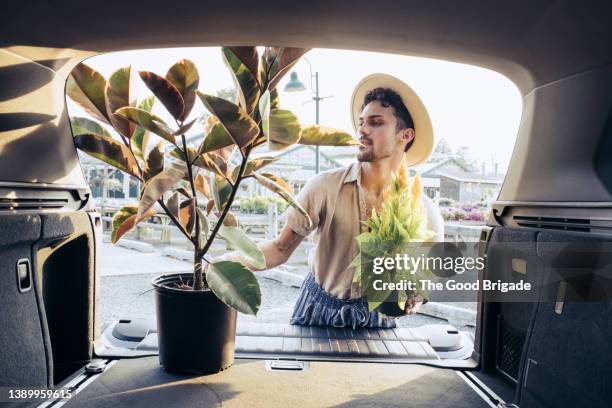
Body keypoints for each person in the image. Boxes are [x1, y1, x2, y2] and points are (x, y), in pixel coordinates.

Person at [214, 73, 444, 328]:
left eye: (376, 123)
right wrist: (219, 267)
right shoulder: (324, 186)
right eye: (361, 122)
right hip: (316, 311)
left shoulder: (424, 211)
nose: (362, 130)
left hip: (377, 322)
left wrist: (415, 299)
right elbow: (280, 249)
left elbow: (423, 283)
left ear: (406, 135)